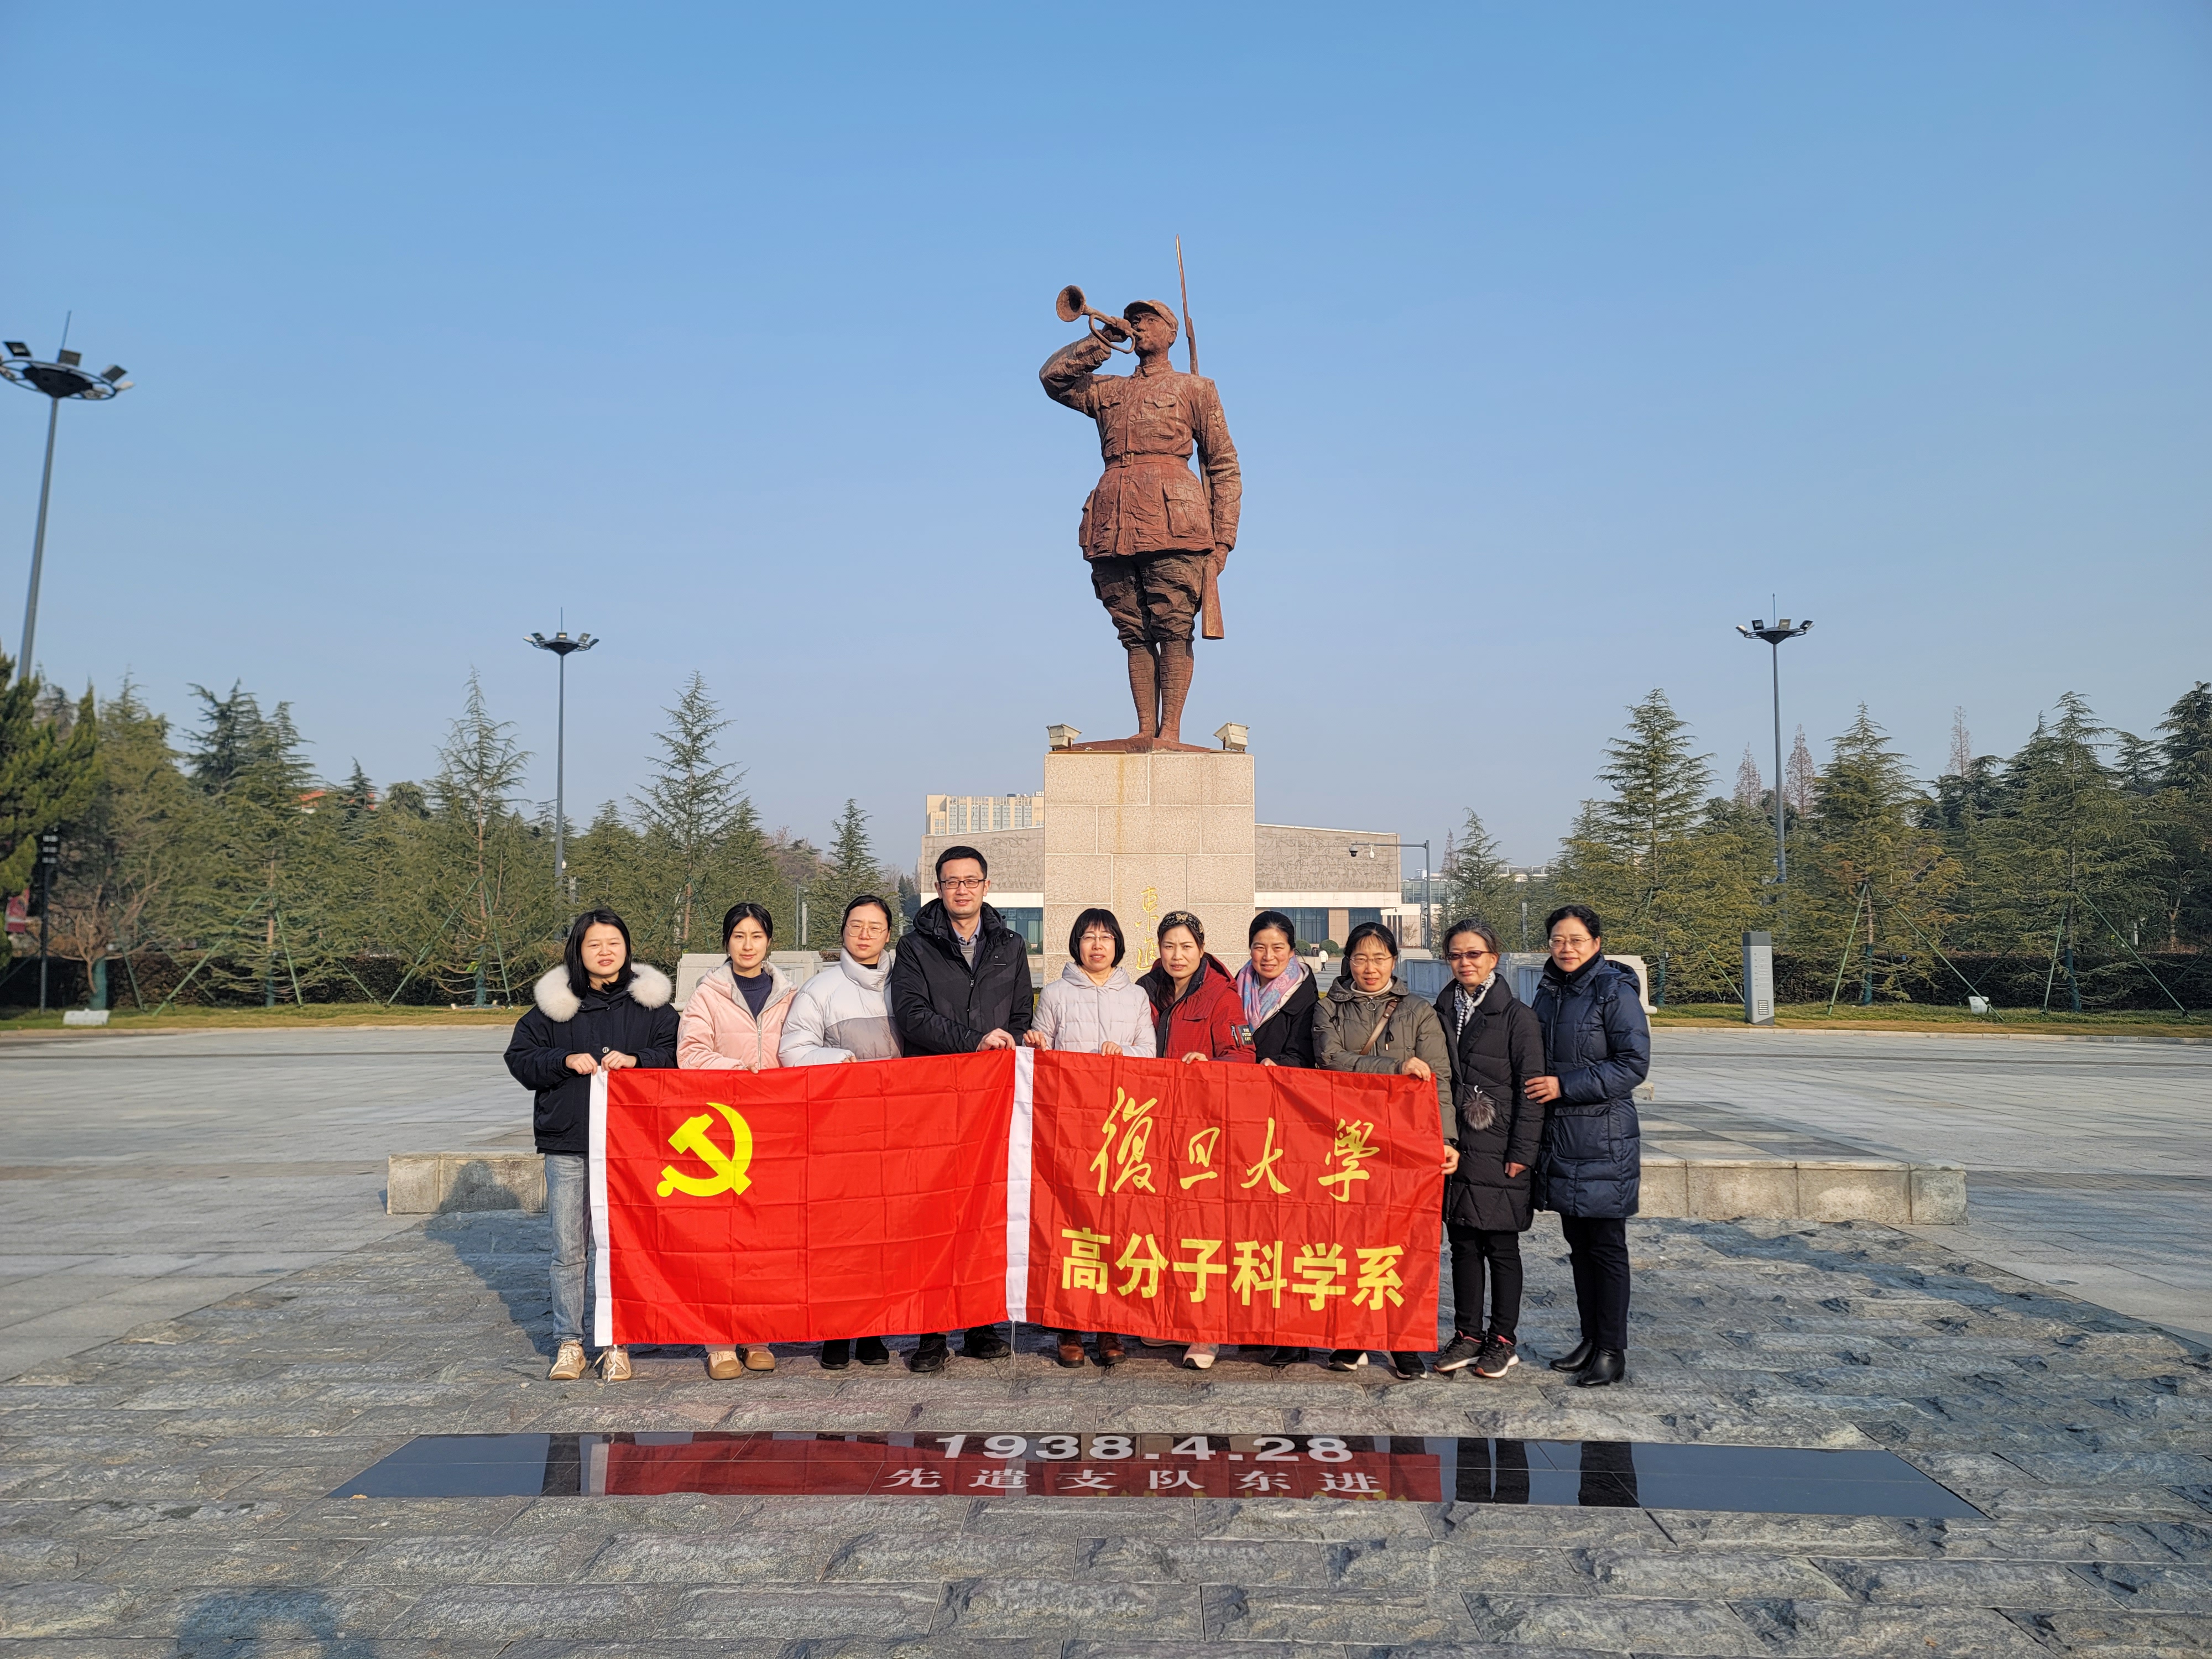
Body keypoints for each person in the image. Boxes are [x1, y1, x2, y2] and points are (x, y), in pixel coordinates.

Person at [1039, 297, 1241, 749]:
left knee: (1173, 624)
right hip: (1113, 522)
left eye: (1149, 320)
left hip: (1176, 522)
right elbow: (1054, 379)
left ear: (1171, 333)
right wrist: (1101, 342)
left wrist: (1223, 539)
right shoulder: (1109, 390)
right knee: (1132, 630)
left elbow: (1223, 466)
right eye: (1134, 320)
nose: (1139, 326)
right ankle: (1145, 728)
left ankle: (1171, 731)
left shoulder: (1195, 388)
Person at [504, 909, 676, 1384]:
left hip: (630, 1149)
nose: (605, 952)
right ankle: (570, 1342)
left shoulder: (652, 1007)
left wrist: (638, 1060)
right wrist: (563, 1059)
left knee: (620, 1247)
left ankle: (617, 1342)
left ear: (627, 948)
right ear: (578, 951)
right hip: (569, 1143)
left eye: (613, 942)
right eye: (594, 944)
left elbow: (677, 1055)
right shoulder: (554, 1006)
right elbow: (520, 1059)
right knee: (569, 1248)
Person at [885, 845, 1032, 1372]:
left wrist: (1007, 1040)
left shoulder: (1010, 945)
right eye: (952, 882)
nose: (962, 890)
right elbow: (911, 1014)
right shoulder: (915, 946)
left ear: (987, 886)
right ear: (939, 888)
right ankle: (930, 1331)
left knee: (984, 1210)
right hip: (934, 1095)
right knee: (932, 1213)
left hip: (990, 1100)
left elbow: (1020, 1012)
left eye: (971, 881)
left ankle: (979, 1322)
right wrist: (973, 1042)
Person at [1313, 921, 1458, 1380]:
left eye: (1379, 958)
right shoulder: (1329, 1007)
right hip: (1347, 1141)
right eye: (1361, 958)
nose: (1370, 967)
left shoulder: (1419, 1010)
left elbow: (1439, 1078)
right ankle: (1351, 1336)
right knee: (1349, 1239)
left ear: (1394, 961)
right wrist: (1395, 1067)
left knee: (1402, 1242)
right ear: (1348, 962)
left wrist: (1447, 1139)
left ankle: (1403, 1340)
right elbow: (1331, 1060)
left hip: (1405, 1143)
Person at [1527, 904, 1650, 1389]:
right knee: (1579, 1246)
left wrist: (1564, 1085)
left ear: (1596, 944)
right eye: (1558, 940)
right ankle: (1590, 1339)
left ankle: (1612, 1350)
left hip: (1604, 1138)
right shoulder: (1549, 990)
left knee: (1606, 1247)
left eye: (1576, 940)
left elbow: (1632, 1064)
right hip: (1563, 1137)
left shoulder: (1614, 991)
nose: (1566, 949)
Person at [1027, 907, 1156, 1368]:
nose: (1097, 945)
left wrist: (1126, 1053)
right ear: (1076, 944)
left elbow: (1150, 1052)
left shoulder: (1136, 996)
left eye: (1105, 937)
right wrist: (1037, 1043)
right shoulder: (1056, 993)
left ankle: (1109, 1326)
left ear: (1118, 944)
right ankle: (1068, 1327)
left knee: (1114, 1225)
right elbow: (1040, 1048)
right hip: (1069, 1127)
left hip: (1119, 1126)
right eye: (1088, 937)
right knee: (1069, 1224)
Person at [780, 894, 902, 1372]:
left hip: (896, 1126)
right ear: (844, 931)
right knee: (839, 1232)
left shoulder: (906, 983)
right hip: (840, 1127)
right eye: (857, 926)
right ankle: (836, 1329)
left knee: (883, 1232)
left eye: (875, 927)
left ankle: (872, 1329)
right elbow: (793, 1049)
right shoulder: (821, 988)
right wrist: (838, 1060)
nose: (865, 935)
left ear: (888, 933)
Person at [677, 901, 797, 1378]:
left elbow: (800, 1046)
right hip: (723, 1129)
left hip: (774, 1127)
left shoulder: (789, 994)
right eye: (739, 936)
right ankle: (719, 1339)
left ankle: (757, 1332)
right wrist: (739, 1071)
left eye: (756, 936)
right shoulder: (707, 995)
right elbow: (691, 1053)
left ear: (769, 941)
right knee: (720, 1237)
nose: (748, 946)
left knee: (763, 1236)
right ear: (726, 941)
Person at [1427, 919, 1547, 1382]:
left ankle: (1503, 1339)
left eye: (1474, 954)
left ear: (1493, 959)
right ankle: (1467, 1334)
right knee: (1462, 1244)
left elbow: (1531, 1094)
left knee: (1500, 1245)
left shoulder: (1518, 1018)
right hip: (1456, 1146)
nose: (1465, 963)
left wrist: (1523, 1153)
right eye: (1456, 955)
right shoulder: (1440, 1009)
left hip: (1500, 1148)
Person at [1136, 910, 1252, 1370]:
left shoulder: (1222, 996)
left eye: (1186, 947)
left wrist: (1210, 1066)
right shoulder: (1145, 990)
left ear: (1201, 949)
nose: (1177, 955)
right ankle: (1169, 1320)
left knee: (1203, 1231)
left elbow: (1243, 1055)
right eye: (1169, 946)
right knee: (1162, 1225)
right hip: (1155, 1126)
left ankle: (1205, 1332)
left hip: (1203, 1131)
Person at [1238, 910, 1318, 1070]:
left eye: (1277, 948)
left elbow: (1304, 1055)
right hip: (1237, 1078)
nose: (1268, 957)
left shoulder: (1304, 995)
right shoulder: (1236, 986)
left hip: (1276, 1080)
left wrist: (1280, 1063)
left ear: (1291, 951)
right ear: (1251, 949)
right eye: (1260, 948)